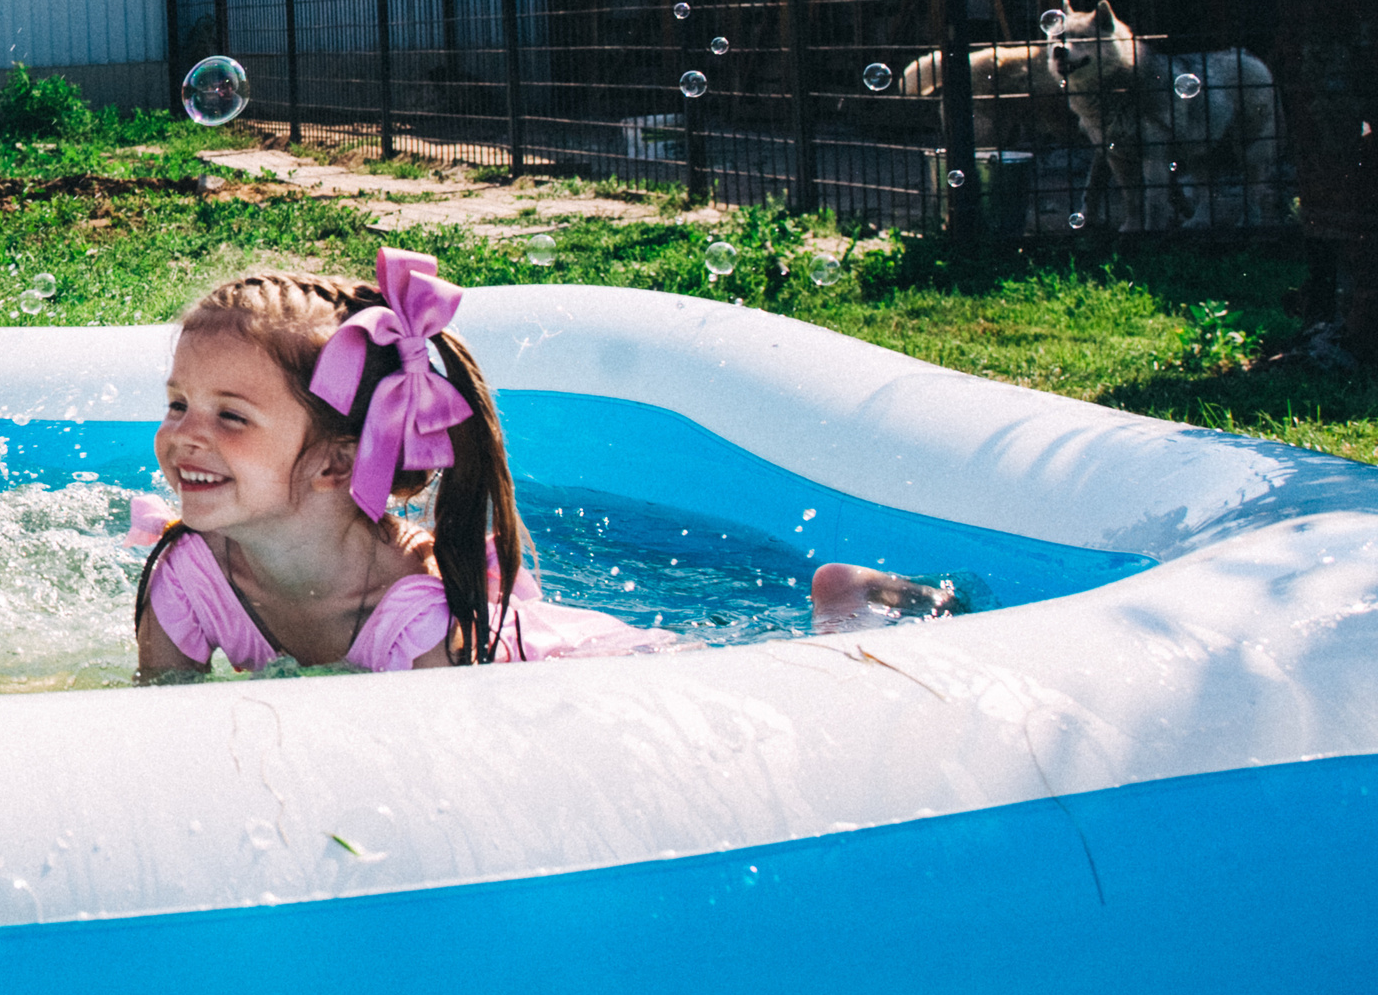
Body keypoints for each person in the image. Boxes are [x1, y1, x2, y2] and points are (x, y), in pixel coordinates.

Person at [134, 249, 952, 678]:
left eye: (229, 416)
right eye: (177, 404)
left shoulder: (419, 626)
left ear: (333, 462)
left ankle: (846, 618)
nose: (184, 436)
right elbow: (159, 729)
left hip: (579, 671)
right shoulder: (185, 574)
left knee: (756, 690)